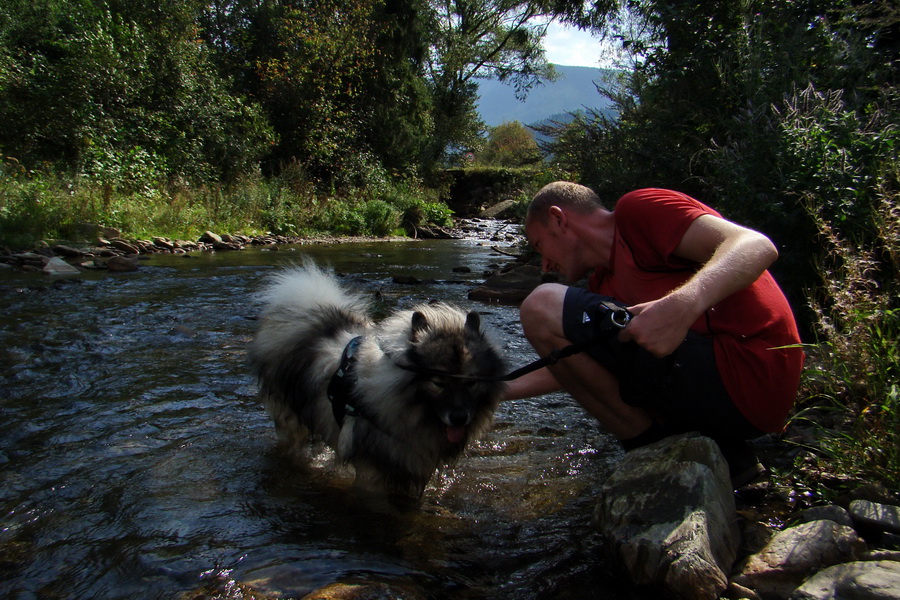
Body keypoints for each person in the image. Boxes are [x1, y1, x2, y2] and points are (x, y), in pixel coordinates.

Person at [505, 182, 804, 487]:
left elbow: (756, 244)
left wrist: (683, 304)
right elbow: (574, 367)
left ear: (558, 218)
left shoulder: (638, 211)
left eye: (539, 245)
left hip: (754, 373)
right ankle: (714, 453)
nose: (544, 264)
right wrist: (495, 391)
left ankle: (652, 455)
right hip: (726, 402)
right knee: (592, 343)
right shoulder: (603, 286)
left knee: (541, 305)